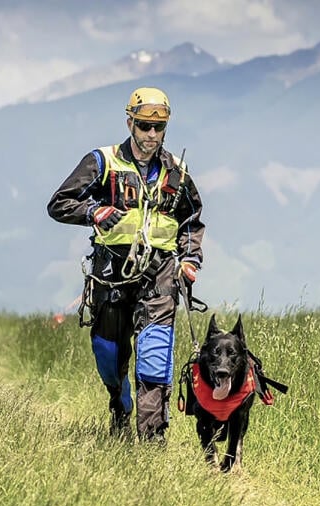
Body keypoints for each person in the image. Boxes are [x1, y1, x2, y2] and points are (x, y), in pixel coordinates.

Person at [47, 87, 205, 443]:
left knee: (153, 356)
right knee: (108, 353)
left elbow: (192, 219)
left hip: (160, 276)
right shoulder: (102, 162)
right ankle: (120, 405)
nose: (151, 135)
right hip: (111, 275)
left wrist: (191, 259)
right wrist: (92, 211)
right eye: (145, 126)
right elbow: (58, 203)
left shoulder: (177, 172)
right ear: (130, 122)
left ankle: (152, 444)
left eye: (159, 127)